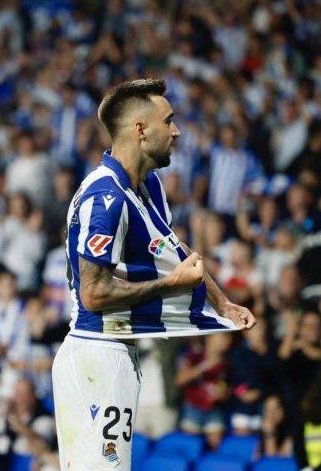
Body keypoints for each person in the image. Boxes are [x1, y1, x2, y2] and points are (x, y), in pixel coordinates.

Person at [51, 78, 255, 470]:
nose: (176, 131)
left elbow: (173, 250)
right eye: (169, 121)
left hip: (117, 351)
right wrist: (169, 286)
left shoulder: (148, 186)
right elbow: (94, 294)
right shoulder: (105, 199)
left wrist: (222, 303)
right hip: (97, 354)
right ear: (141, 130)